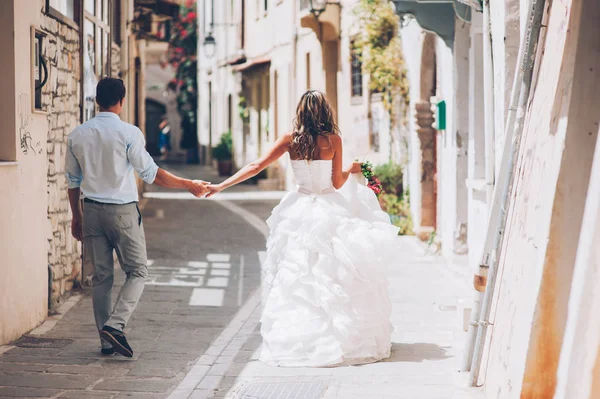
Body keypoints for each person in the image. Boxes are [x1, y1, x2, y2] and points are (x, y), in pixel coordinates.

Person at [207, 90, 398, 367]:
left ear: (300, 111)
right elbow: (337, 183)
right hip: (329, 207)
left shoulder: (289, 140)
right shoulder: (333, 140)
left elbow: (256, 165)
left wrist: (220, 186)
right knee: (335, 274)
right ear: (325, 112)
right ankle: (341, 338)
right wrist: (354, 167)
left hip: (297, 209)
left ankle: (297, 338)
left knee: (297, 276)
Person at [65, 77, 209, 358]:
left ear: (97, 101)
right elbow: (151, 174)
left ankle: (106, 342)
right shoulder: (129, 133)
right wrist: (189, 185)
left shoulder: (78, 134)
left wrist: (76, 216)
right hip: (123, 213)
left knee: (102, 278)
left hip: (91, 210)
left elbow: (73, 180)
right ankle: (115, 326)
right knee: (138, 271)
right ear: (121, 101)